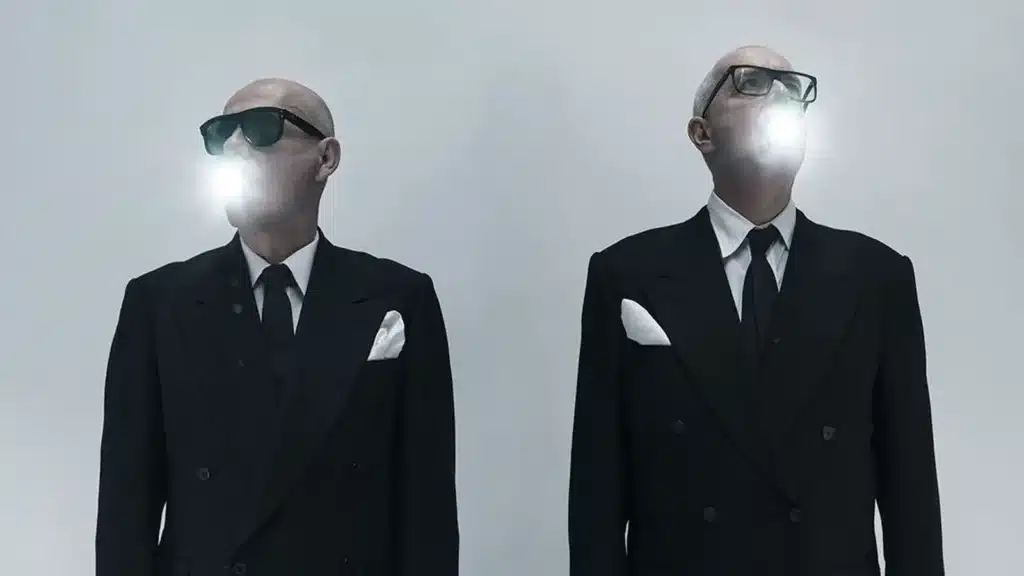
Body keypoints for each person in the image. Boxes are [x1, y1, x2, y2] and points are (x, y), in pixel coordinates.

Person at [568, 46, 944, 576]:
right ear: (702, 133)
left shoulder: (876, 276)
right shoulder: (626, 275)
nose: (780, 96)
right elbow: (596, 492)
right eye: (752, 82)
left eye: (792, 87)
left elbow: (911, 491)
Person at [95, 78, 458, 576]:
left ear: (325, 158)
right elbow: (125, 511)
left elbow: (427, 509)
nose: (235, 147)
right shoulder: (159, 302)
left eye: (262, 128)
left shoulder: (398, 297)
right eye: (221, 134)